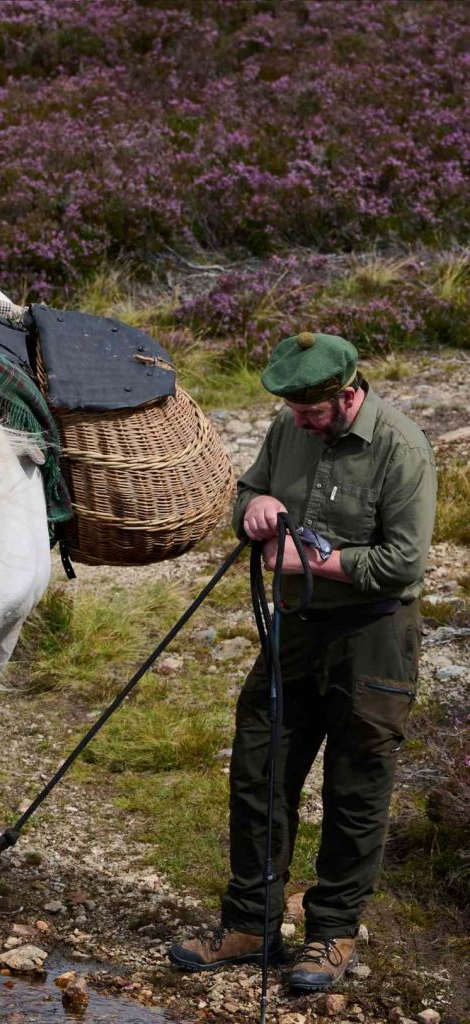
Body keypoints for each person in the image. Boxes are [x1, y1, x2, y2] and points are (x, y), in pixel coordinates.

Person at [169, 332, 437, 991]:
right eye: (291, 408)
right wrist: (253, 508)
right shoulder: (287, 428)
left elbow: (405, 563)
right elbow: (248, 493)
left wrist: (313, 563)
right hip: (295, 631)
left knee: (356, 786)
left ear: (348, 395)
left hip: (374, 635)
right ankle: (248, 923)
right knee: (260, 765)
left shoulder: (401, 447)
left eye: (310, 410)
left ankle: (332, 936)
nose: (297, 420)